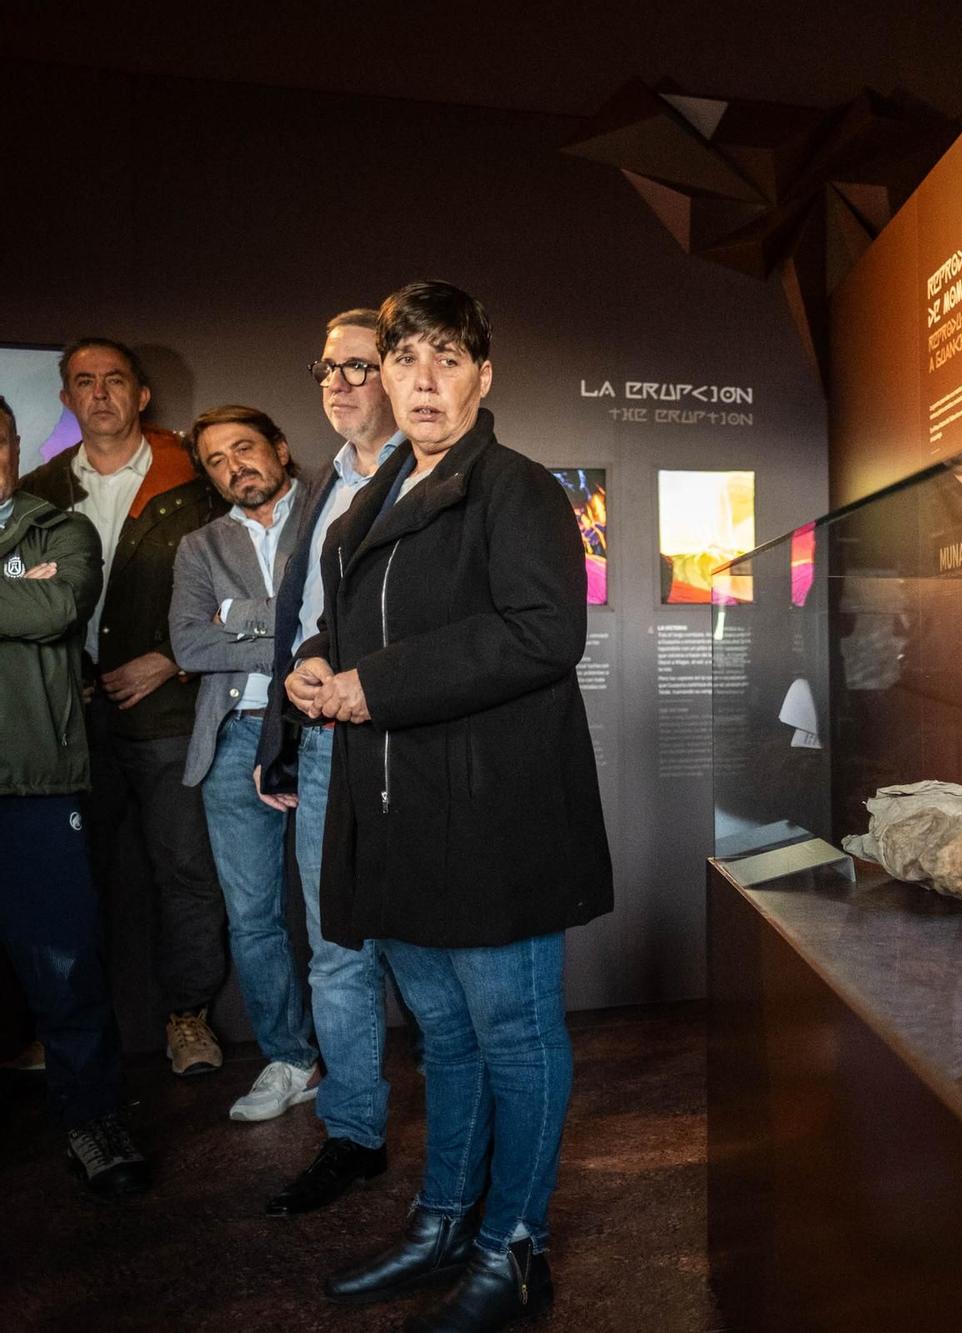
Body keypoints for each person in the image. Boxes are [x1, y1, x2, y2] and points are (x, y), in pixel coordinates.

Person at [290, 282, 612, 1329]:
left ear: (482, 375)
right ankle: (443, 1225)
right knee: (445, 1036)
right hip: (399, 817)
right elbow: (347, 620)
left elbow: (540, 633)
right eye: (405, 359)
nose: (423, 379)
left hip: (491, 820)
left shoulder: (513, 488)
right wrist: (310, 662)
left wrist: (373, 686)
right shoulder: (376, 494)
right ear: (382, 376)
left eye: (446, 358)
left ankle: (514, 1245)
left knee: (512, 1033)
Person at [17, 338, 230, 1075]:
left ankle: (188, 1017)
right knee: (77, 879)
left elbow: (246, 586)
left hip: (169, 715)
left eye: (115, 380)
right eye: (84, 381)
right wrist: (67, 670)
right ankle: (69, 1029)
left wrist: (172, 659)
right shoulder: (38, 490)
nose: (100, 393)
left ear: (142, 395)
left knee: (184, 871)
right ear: (66, 398)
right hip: (71, 720)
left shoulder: (196, 479)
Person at [252, 308, 406, 1217]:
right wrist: (281, 744)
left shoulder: (430, 475)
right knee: (337, 953)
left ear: (397, 375)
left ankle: (472, 1138)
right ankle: (353, 1134)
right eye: (326, 368)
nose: (340, 383)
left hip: (402, 742)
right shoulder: (316, 487)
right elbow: (295, 627)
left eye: (358, 365)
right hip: (319, 746)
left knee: (427, 944)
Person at [0, 393, 148, 1197]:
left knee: (66, 966)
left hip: (36, 780)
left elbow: (56, 606)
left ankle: (93, 1122)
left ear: (14, 445)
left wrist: (33, 597)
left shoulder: (58, 529)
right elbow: (24, 605)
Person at [169, 405, 323, 1123]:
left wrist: (236, 615)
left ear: (280, 448)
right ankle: (290, 1058)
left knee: (338, 907)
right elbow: (190, 649)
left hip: (321, 728)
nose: (235, 467)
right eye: (217, 461)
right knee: (252, 918)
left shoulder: (329, 512)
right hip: (233, 737)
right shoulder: (199, 546)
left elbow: (337, 623)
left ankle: (362, 1056)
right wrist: (280, 626)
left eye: (245, 448)